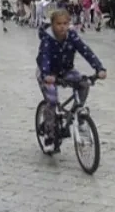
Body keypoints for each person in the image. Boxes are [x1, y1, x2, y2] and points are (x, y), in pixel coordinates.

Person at [36, 8, 107, 148]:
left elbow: (85, 50)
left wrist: (99, 68)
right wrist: (46, 75)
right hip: (48, 73)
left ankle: (78, 114)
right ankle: (49, 137)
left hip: (66, 70)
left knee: (83, 84)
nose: (62, 27)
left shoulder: (72, 36)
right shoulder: (47, 40)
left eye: (65, 23)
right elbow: (44, 58)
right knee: (52, 100)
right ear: (52, 25)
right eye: (58, 24)